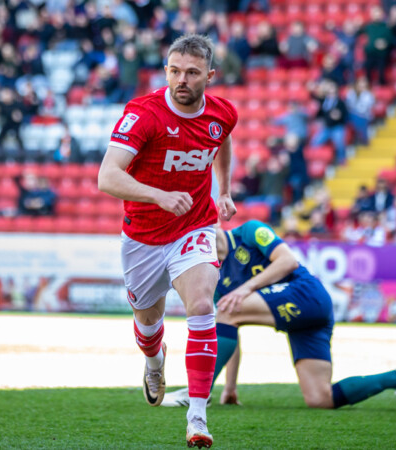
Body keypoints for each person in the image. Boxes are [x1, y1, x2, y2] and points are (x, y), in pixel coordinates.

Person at [97, 34, 237, 449]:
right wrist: (158, 195)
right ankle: (154, 361)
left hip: (194, 227)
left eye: (192, 73)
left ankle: (197, 417)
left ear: (209, 76)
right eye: (174, 71)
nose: (181, 79)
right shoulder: (144, 114)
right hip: (142, 236)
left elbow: (222, 138)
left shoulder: (223, 113)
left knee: (201, 306)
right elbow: (107, 177)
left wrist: (223, 190)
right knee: (147, 323)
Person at [161, 220, 396, 412]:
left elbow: (288, 262)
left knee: (229, 309)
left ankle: (198, 392)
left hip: (308, 294)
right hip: (303, 320)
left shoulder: (251, 231)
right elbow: (230, 332)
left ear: (214, 221)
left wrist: (245, 289)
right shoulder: (216, 277)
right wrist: (230, 387)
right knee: (320, 398)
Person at [345, 77, 375, 146]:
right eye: (359, 85)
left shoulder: (369, 95)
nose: (361, 87)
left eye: (363, 85)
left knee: (356, 118)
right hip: (353, 116)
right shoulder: (352, 93)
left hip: (364, 117)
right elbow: (348, 104)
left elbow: (364, 109)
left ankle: (362, 138)